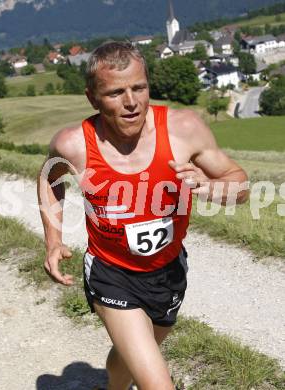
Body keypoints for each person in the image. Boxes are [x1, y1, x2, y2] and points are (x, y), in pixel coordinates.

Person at [37, 41, 249, 390]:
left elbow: (240, 186)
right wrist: (53, 241)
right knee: (156, 382)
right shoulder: (72, 145)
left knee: (132, 355)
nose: (131, 102)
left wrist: (211, 188)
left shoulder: (184, 128)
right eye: (116, 92)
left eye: (139, 88)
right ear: (92, 98)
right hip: (111, 273)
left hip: (168, 271)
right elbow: (49, 179)